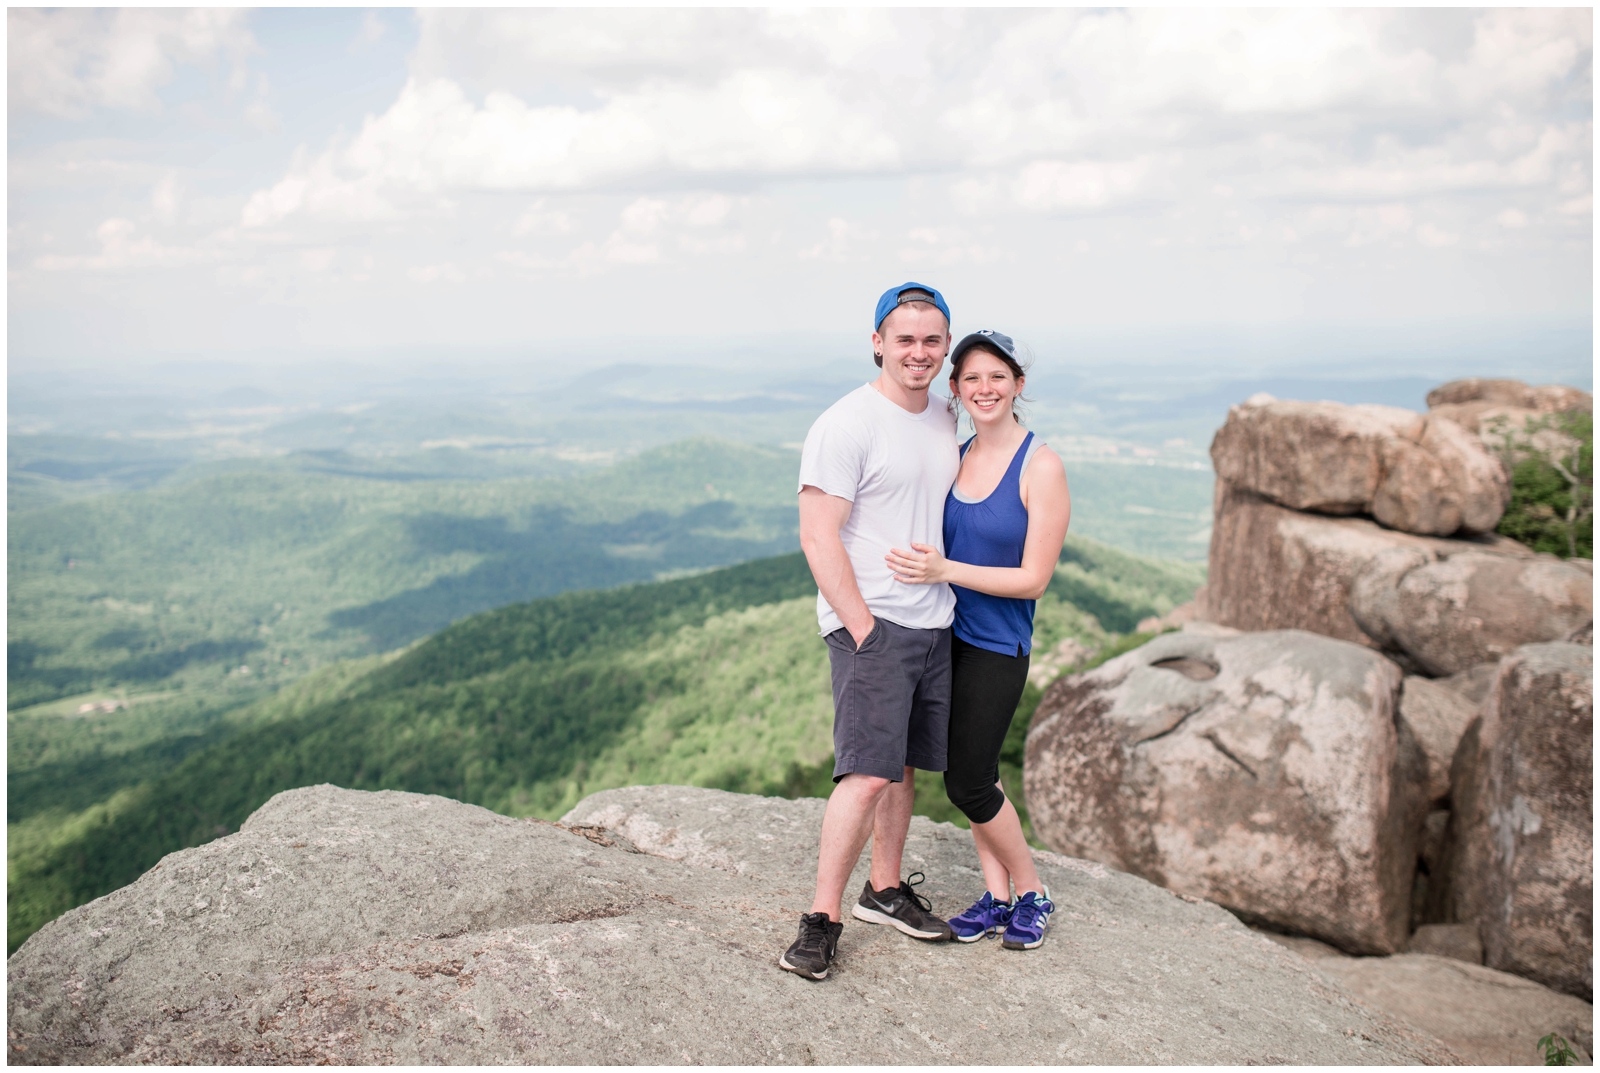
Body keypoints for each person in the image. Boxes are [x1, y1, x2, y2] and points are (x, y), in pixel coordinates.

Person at [778, 282, 962, 981]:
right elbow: (817, 534)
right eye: (905, 338)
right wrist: (862, 627)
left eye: (931, 339)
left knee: (903, 765)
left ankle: (884, 888)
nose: (919, 351)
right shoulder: (847, 423)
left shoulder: (945, 415)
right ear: (878, 342)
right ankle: (820, 922)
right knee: (864, 772)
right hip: (876, 622)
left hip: (934, 620)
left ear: (945, 347)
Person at [884, 329, 1071, 951]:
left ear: (1018, 384)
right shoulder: (957, 453)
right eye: (970, 379)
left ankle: (1032, 892)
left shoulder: (1040, 465)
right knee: (977, 774)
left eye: (997, 377)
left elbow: (1033, 579)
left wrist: (946, 571)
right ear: (956, 390)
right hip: (942, 635)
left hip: (996, 644)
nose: (984, 389)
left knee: (965, 780)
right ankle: (996, 898)